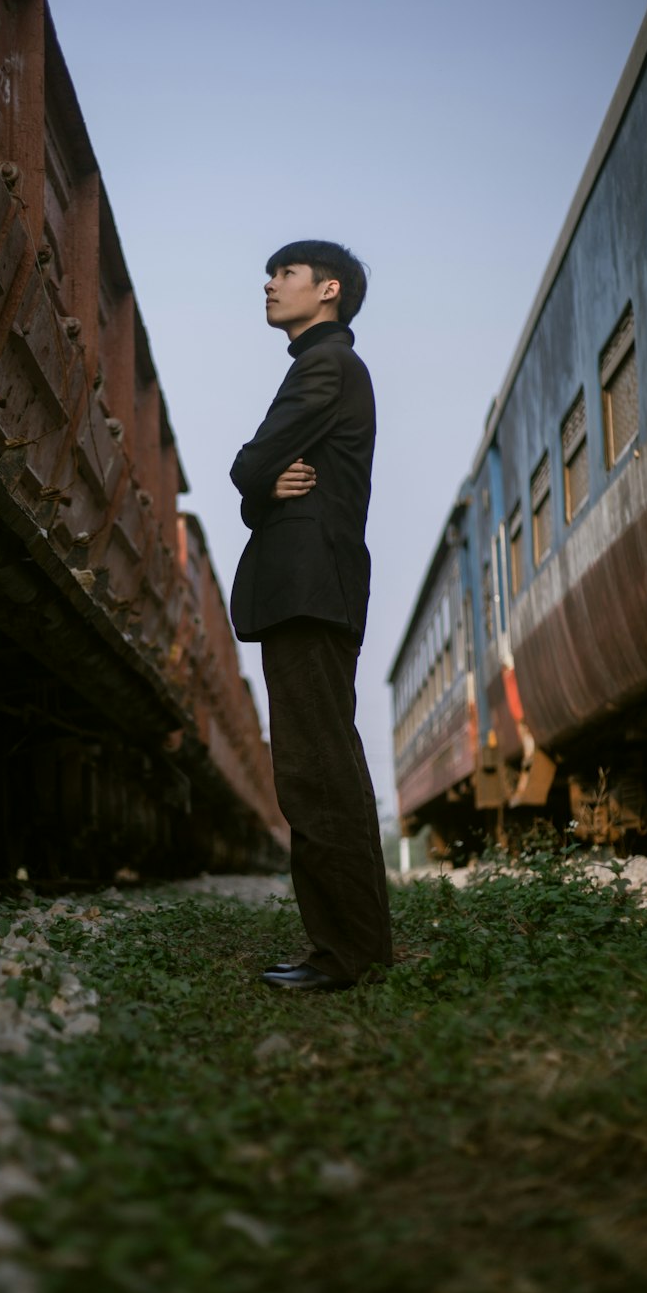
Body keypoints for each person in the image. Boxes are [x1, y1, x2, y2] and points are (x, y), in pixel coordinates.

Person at [230, 240, 392, 992]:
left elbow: (251, 465)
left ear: (328, 290)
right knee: (321, 765)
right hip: (314, 588)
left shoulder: (325, 366)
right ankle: (354, 946)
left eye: (285, 273)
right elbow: (262, 481)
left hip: (310, 588)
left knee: (315, 771)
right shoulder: (323, 367)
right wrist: (264, 489)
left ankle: (345, 954)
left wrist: (258, 483)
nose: (269, 283)